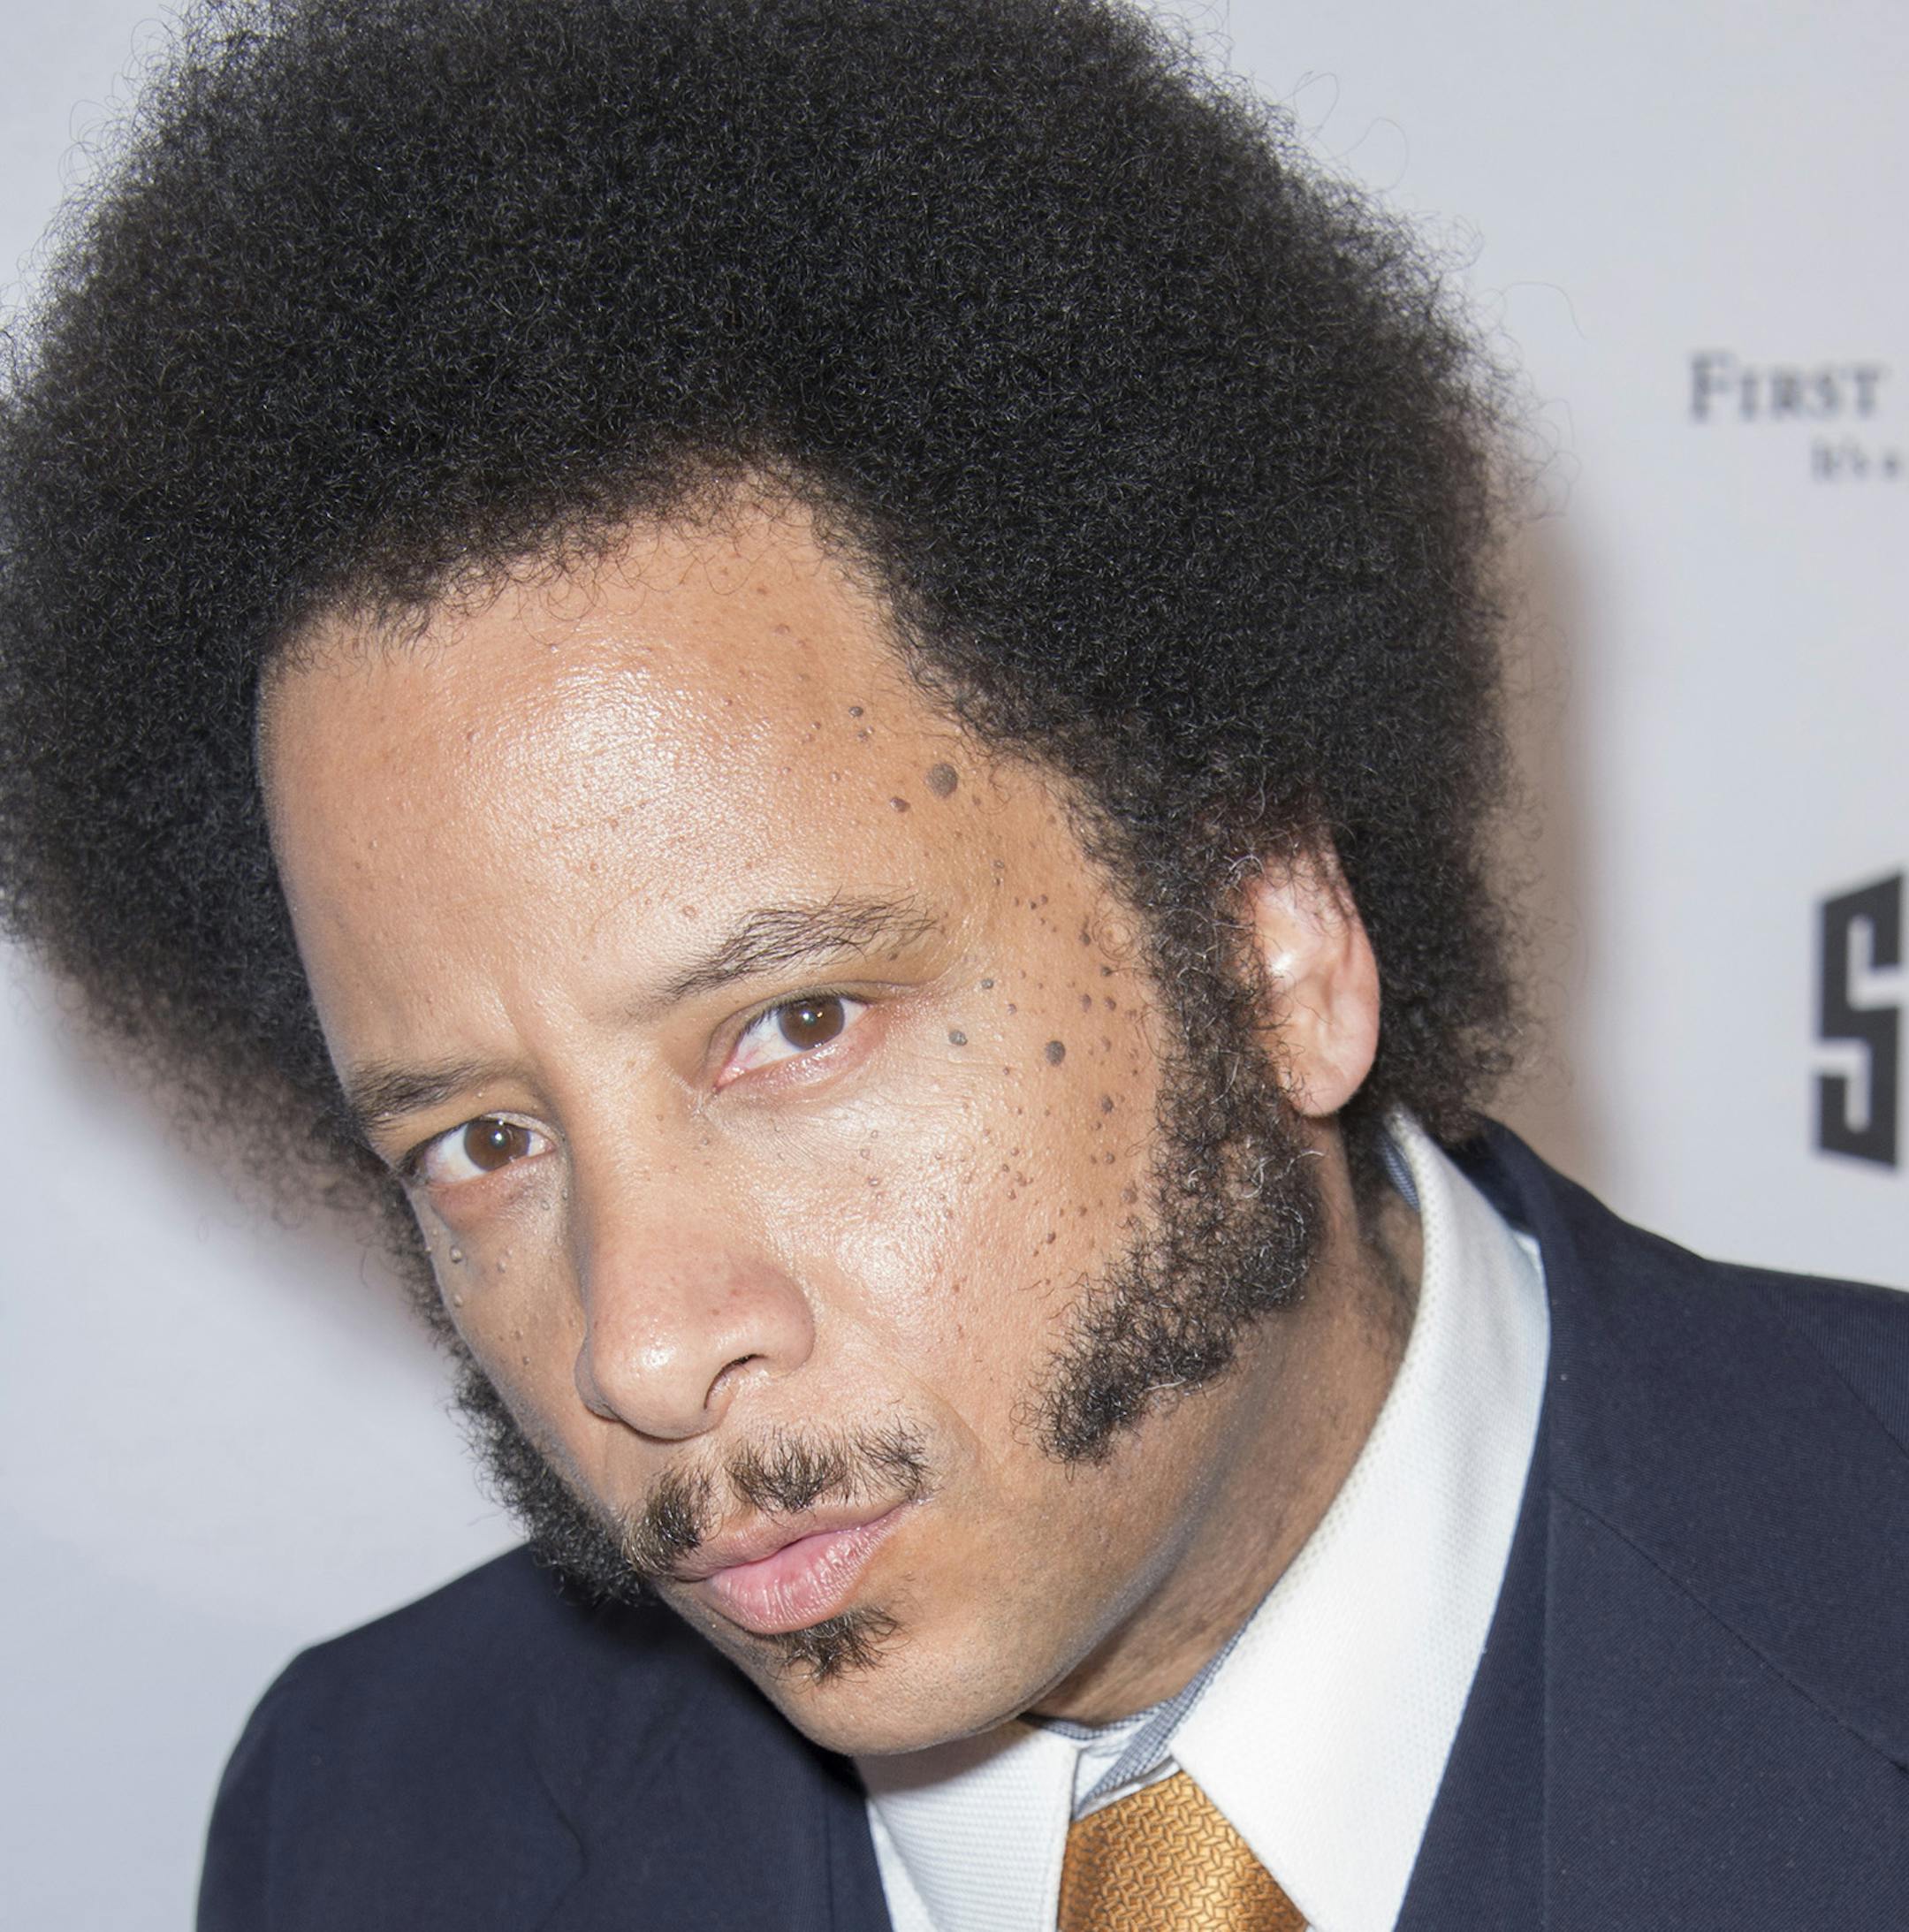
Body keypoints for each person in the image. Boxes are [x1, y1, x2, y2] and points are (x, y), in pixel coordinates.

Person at [0, 0, 1903, 1926]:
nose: (638, 1347)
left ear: (1275, 931)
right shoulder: (371, 1833)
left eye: (796, 1024)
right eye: (483, 1144)